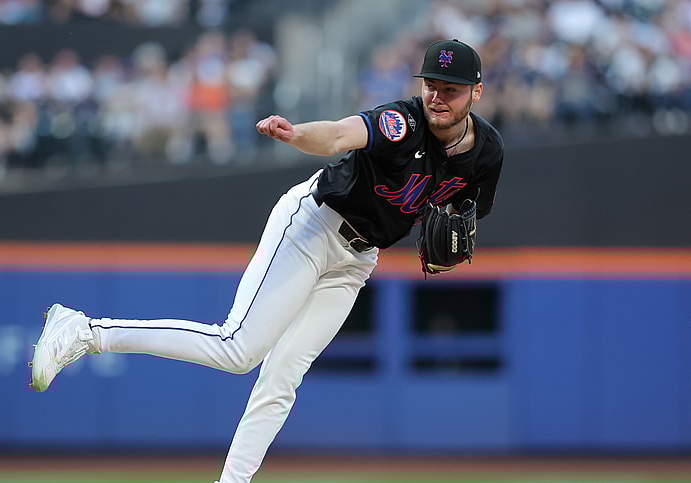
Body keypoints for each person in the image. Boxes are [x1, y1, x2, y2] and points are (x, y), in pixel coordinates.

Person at [29, 39, 503, 483]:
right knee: (238, 349)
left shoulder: (487, 152)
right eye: (430, 85)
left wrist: (448, 247)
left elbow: (463, 217)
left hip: (358, 259)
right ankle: (86, 331)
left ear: (476, 92)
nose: (437, 97)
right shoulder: (403, 121)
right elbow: (339, 135)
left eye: (451, 89)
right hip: (313, 225)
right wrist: (297, 135)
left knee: (283, 376)